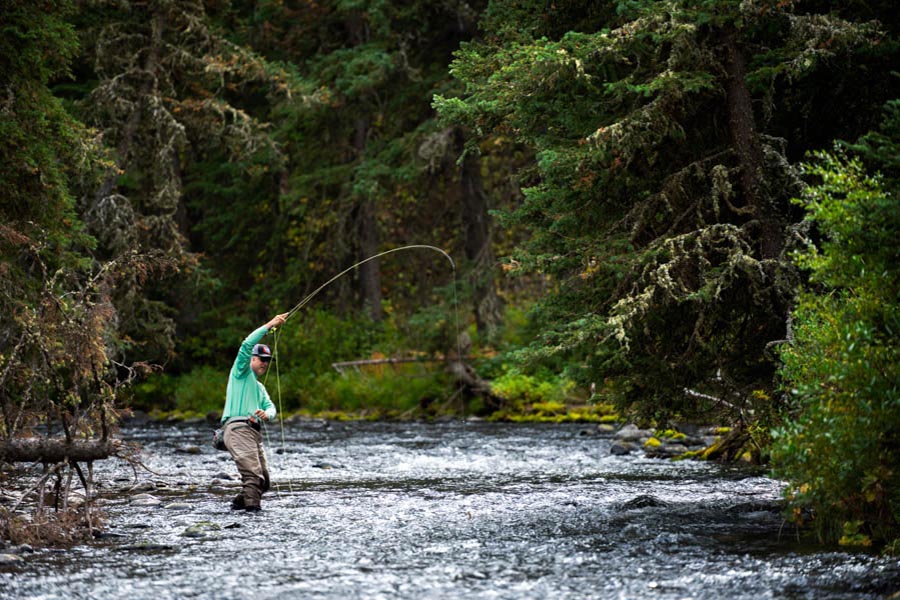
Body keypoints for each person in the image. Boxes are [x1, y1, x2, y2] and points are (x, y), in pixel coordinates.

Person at [221, 312, 288, 512]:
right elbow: (246, 344)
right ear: (251, 359)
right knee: (253, 477)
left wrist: (268, 415)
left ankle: (237, 506)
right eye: (261, 359)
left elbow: (271, 407)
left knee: (264, 482)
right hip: (238, 428)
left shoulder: (259, 387)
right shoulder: (240, 371)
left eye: (268, 360)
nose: (265, 363)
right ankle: (253, 518)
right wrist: (270, 324)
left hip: (253, 432)